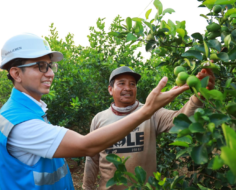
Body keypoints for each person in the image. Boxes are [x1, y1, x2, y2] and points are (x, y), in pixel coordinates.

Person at [0, 33, 192, 190]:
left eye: (50, 66)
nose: (50, 73)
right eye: (41, 66)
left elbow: (180, 121)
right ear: (16, 74)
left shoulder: (30, 113)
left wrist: (197, 97)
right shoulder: (21, 123)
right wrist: (148, 109)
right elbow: (87, 148)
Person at [82, 66, 215, 190]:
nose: (128, 88)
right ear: (110, 89)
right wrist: (86, 187)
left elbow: (181, 120)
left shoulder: (151, 113)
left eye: (132, 84)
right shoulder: (99, 119)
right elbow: (91, 159)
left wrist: (200, 95)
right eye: (121, 83)